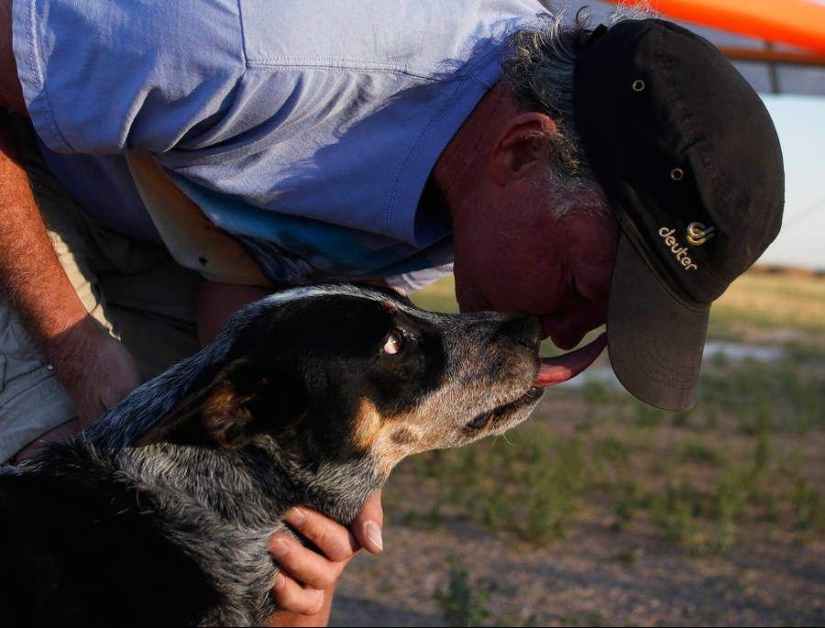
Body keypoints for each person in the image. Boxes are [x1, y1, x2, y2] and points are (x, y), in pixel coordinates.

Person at [0, 0, 784, 625]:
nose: (570, 330)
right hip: (27, 174)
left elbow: (249, 288)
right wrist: (82, 353)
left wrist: (310, 512)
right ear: (519, 151)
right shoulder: (253, 38)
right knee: (78, 519)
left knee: (236, 561)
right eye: (583, 281)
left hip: (176, 235)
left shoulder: (487, 193)